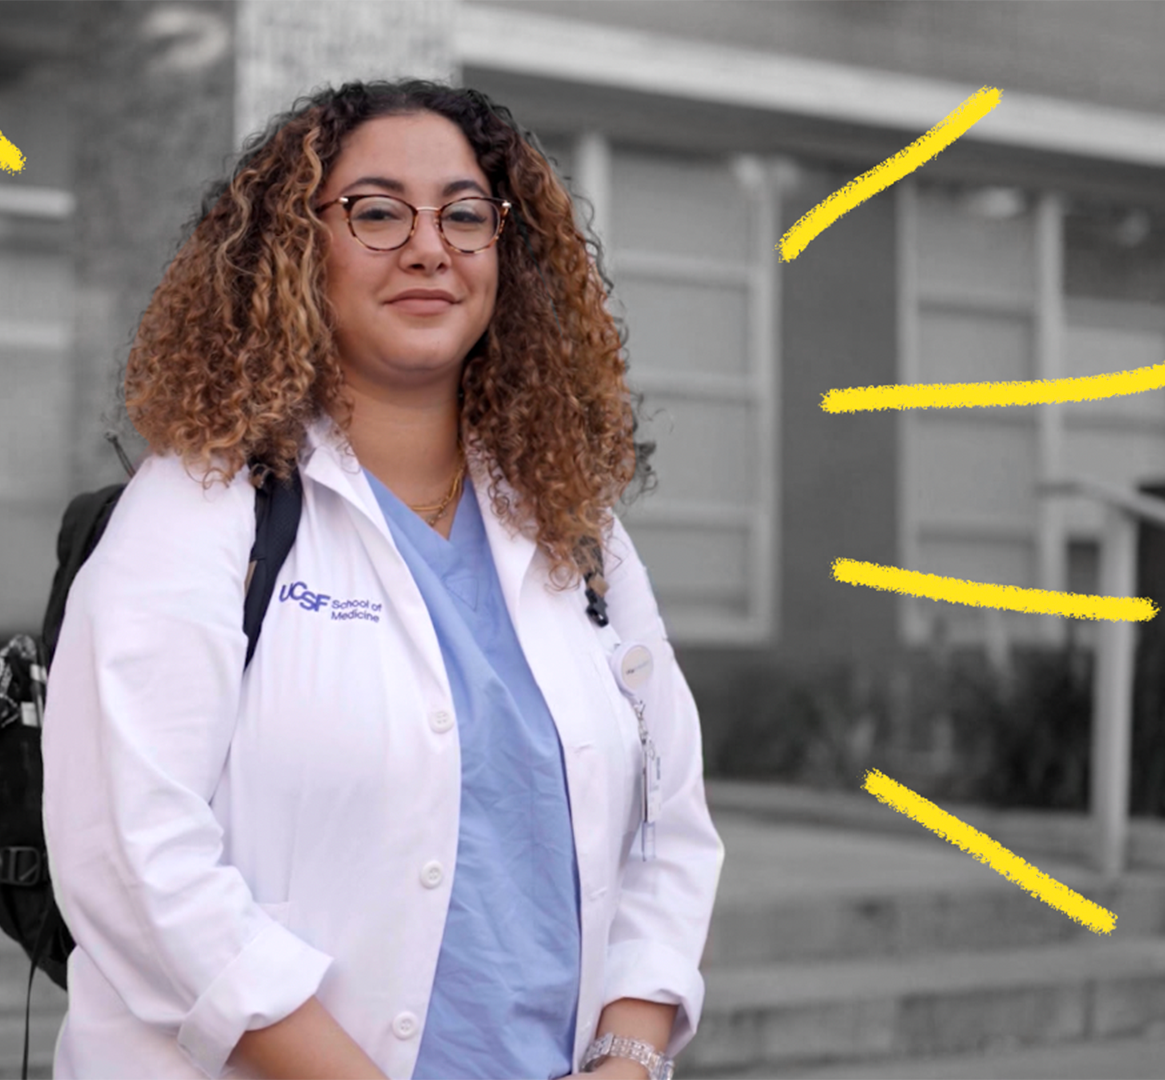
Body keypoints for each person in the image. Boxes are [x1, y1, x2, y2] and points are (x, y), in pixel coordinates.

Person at [41, 79, 724, 1080]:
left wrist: (629, 1048)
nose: (429, 247)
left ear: (507, 252)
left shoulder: (575, 530)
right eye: (376, 212)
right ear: (295, 248)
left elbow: (669, 825)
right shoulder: (199, 508)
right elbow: (136, 860)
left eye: (464, 214)